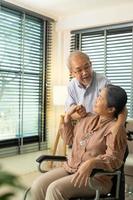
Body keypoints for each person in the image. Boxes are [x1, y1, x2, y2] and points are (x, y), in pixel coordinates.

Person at [30, 84, 127, 200]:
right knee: (38, 185)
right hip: (71, 169)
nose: (96, 99)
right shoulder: (87, 119)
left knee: (55, 189)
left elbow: (115, 160)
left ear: (111, 109)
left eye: (100, 98)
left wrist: (92, 162)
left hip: (96, 177)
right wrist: (67, 118)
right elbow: (69, 140)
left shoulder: (115, 130)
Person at [65, 50, 111, 120]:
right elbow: (68, 112)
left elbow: (119, 108)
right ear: (72, 73)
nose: (84, 73)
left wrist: (118, 125)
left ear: (91, 64)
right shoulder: (71, 86)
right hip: (82, 126)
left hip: (100, 126)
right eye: (79, 70)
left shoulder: (104, 82)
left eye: (87, 67)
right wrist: (79, 114)